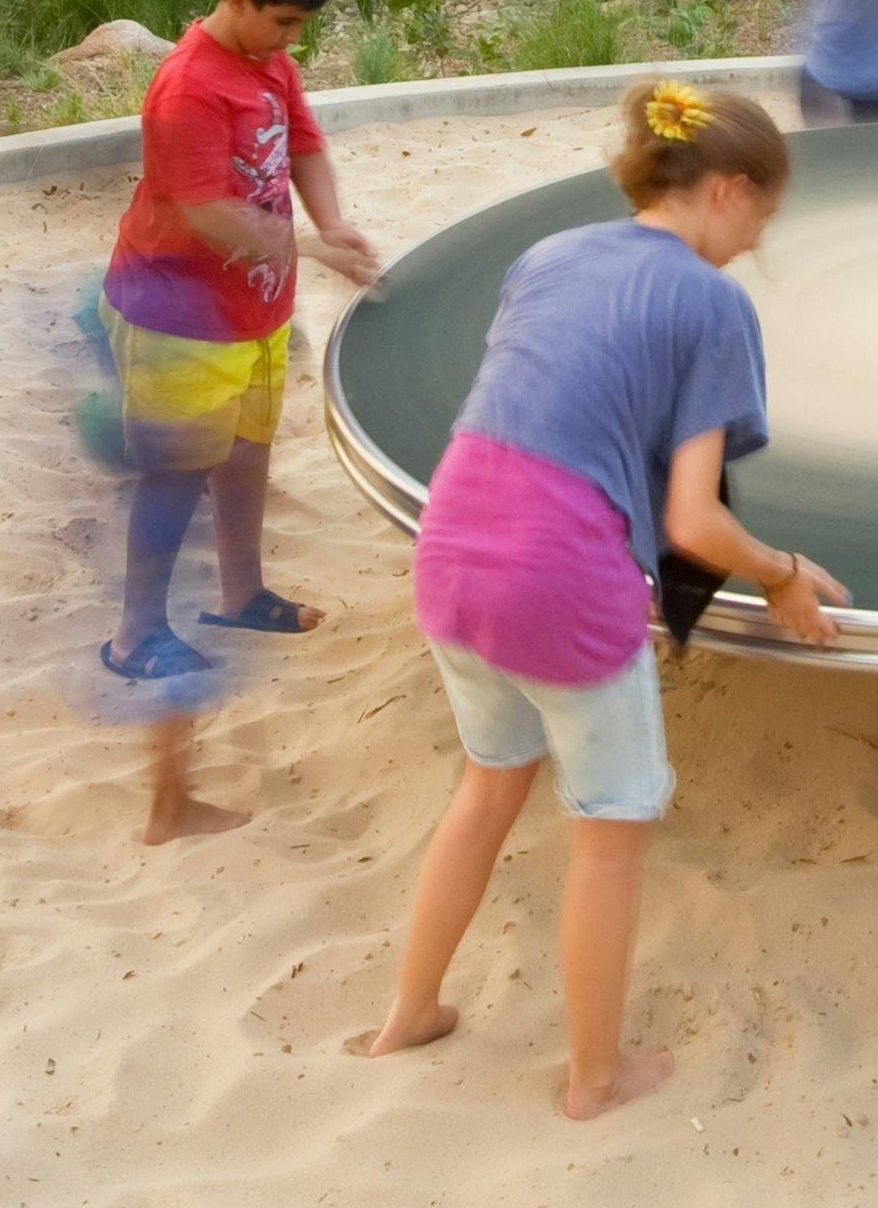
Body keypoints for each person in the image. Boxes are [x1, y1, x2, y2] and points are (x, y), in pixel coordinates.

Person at [361, 79, 851, 1119]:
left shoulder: (548, 254)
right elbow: (693, 522)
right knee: (609, 833)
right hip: (561, 577)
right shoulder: (712, 303)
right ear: (728, 189)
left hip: (452, 550)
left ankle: (409, 1009)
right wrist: (781, 572)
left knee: (485, 791)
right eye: (761, 216)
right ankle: (594, 1077)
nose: (755, 242)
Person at [95, 0, 383, 842]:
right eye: (283, 22)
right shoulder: (187, 85)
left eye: (300, 28)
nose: (291, 42)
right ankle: (135, 636)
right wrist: (307, 248)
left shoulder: (269, 65)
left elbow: (305, 148)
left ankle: (240, 593)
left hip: (254, 310)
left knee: (249, 449)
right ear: (236, 0)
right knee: (175, 472)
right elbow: (204, 213)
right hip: (175, 312)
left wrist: (329, 224)